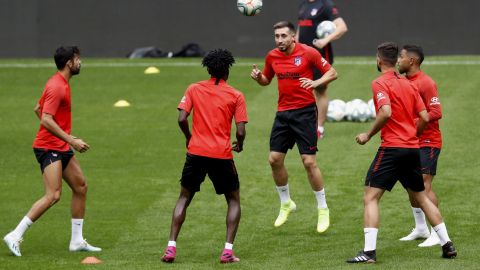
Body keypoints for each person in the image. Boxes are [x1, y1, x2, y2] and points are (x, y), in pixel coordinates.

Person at [346, 42, 456, 263]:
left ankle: (368, 253)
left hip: (391, 149)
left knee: (370, 197)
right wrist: (410, 135)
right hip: (413, 148)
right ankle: (447, 244)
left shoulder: (379, 83)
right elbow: (425, 117)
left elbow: (385, 111)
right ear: (395, 60)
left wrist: (368, 134)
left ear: (379, 60)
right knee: (421, 197)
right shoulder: (409, 84)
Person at [3, 46, 101, 257]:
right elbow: (46, 118)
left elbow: (38, 110)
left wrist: (64, 137)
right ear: (69, 63)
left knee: (80, 186)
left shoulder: (59, 83)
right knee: (53, 195)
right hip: (48, 147)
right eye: (77, 59)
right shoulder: (57, 86)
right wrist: (70, 139)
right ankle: (15, 235)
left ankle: (76, 241)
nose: (80, 63)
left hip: (59, 145)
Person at [161, 49, 248, 264]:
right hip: (221, 154)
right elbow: (240, 131)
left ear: (208, 69)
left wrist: (189, 138)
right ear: (227, 70)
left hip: (196, 152)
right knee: (233, 200)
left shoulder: (193, 89)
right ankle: (227, 251)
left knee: (184, 197)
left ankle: (171, 247)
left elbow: (182, 118)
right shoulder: (236, 95)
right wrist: (240, 144)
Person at [251, 21, 337, 233]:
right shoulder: (272, 56)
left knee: (308, 162)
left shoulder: (308, 52)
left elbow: (332, 73)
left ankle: (323, 208)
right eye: (276, 36)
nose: (279, 40)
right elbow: (266, 80)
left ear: (293, 37)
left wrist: (316, 83)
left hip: (305, 113)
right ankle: (286, 202)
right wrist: (258, 78)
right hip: (283, 114)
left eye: (283, 36)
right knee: (274, 159)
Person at [397, 44, 443, 247]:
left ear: (412, 61)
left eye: (401, 57)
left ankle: (436, 232)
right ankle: (421, 228)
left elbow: (436, 111)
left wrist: (415, 123)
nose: (398, 60)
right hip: (410, 141)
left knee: (423, 186)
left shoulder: (426, 83)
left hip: (428, 141)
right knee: (411, 186)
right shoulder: (403, 81)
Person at [297, 0, 348, 138]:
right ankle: (304, 124)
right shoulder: (303, 4)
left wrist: (325, 41)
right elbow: (300, 28)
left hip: (320, 56)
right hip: (301, 55)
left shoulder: (326, 4)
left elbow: (342, 27)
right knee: (302, 89)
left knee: (320, 90)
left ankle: (319, 128)